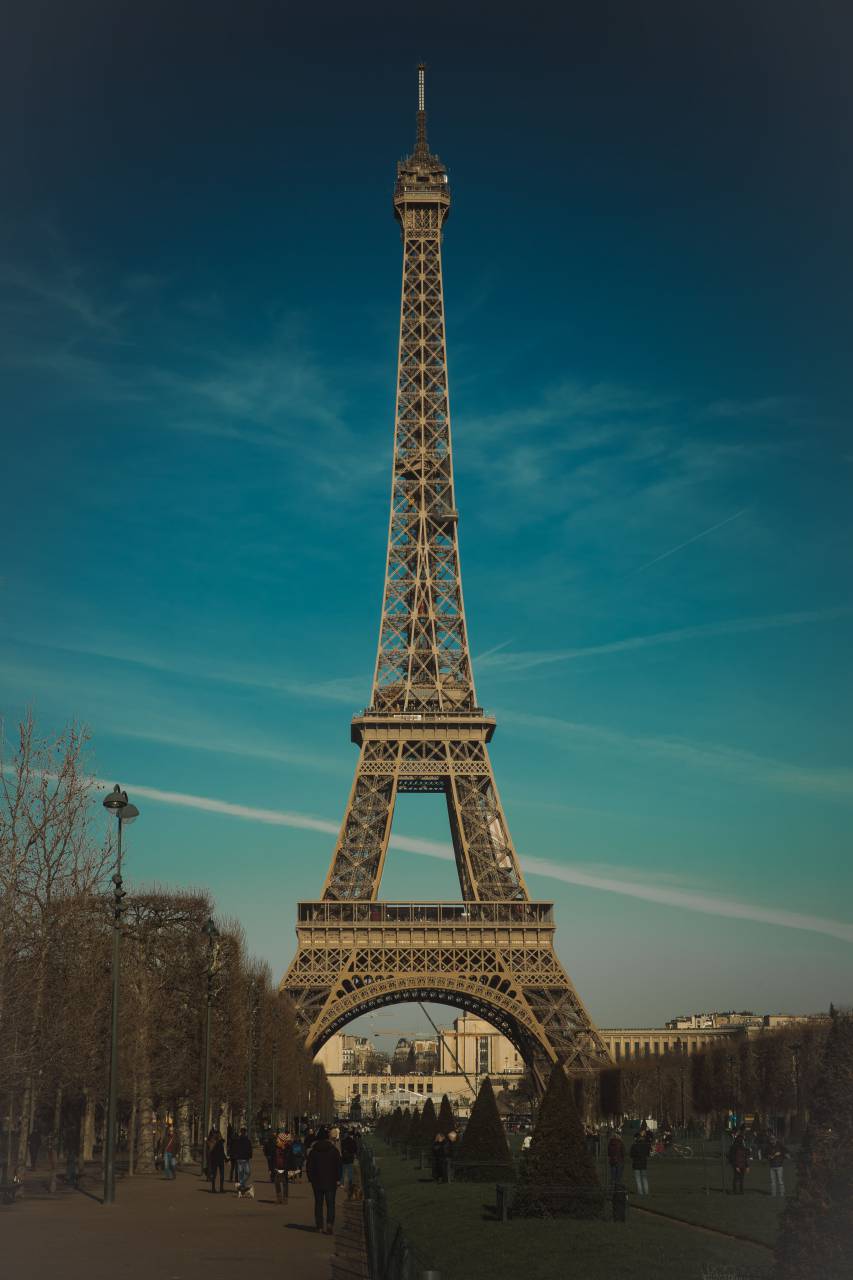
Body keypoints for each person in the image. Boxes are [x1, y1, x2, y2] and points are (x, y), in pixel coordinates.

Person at [306, 1126, 342, 1234]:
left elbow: (309, 1167)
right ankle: (329, 1224)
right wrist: (338, 1179)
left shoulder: (313, 1152)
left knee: (318, 1204)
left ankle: (319, 1226)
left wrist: (311, 1179)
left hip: (317, 1181)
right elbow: (339, 1166)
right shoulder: (334, 1151)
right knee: (330, 1204)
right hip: (331, 1181)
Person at [231, 1127, 254, 1198]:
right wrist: (249, 1156)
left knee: (241, 1174)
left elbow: (236, 1148)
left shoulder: (239, 1140)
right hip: (244, 1159)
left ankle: (240, 1187)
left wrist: (236, 1156)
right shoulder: (246, 1140)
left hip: (240, 1159)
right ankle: (241, 1188)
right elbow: (250, 1149)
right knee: (247, 1173)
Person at [629, 1129, 651, 1196]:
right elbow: (648, 1154)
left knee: (638, 1178)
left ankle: (640, 1192)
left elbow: (631, 1155)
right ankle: (646, 1192)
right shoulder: (646, 1145)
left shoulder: (634, 1145)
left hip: (636, 1163)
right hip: (643, 1163)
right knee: (644, 1178)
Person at [728, 1131, 749, 1195]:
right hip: (738, 1164)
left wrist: (747, 1165)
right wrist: (737, 1166)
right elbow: (734, 1157)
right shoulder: (736, 1147)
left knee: (739, 1178)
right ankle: (738, 1190)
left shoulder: (739, 1146)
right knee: (738, 1178)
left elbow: (744, 1157)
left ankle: (739, 1190)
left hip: (741, 1164)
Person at [272, 1131, 290, 1204]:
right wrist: (271, 1168)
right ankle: (279, 1198)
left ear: (282, 1141)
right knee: (277, 1183)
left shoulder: (287, 1149)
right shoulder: (275, 1148)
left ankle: (285, 1199)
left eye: (278, 1139)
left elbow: (290, 1159)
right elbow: (273, 1159)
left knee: (285, 1184)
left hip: (284, 1168)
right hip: (277, 1168)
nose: (277, 1140)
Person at [205, 1128, 226, 1193]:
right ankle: (220, 1188)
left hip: (215, 1160)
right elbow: (222, 1152)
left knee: (215, 1174)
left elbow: (211, 1152)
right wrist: (226, 1158)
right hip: (220, 1160)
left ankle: (214, 1188)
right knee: (221, 1174)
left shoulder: (214, 1142)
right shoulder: (219, 1142)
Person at [340, 1128, 358, 1199]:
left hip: (344, 1158)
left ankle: (342, 1183)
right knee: (350, 1171)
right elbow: (355, 1149)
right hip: (350, 1158)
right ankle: (350, 1183)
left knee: (343, 1170)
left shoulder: (343, 1141)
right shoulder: (352, 1141)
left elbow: (342, 1149)